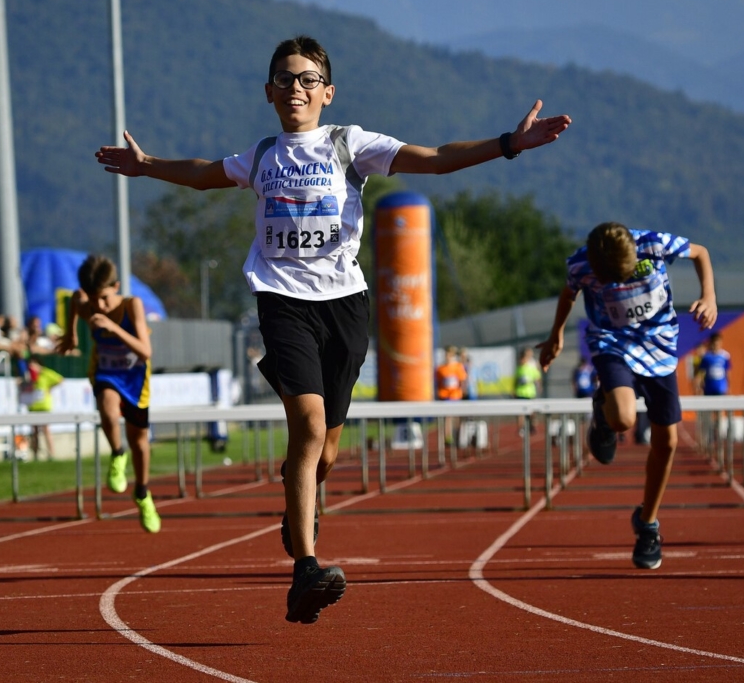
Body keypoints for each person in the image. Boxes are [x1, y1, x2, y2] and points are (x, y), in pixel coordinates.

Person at [95, 34, 570, 623]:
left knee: (325, 454)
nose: (296, 87)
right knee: (309, 424)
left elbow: (437, 157)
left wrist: (510, 144)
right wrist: (146, 167)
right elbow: (203, 174)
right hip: (282, 301)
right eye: (284, 79)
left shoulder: (351, 144)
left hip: (344, 307)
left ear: (327, 92)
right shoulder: (264, 154)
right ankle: (305, 572)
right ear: (268, 92)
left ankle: (303, 510)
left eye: (307, 79)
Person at [539, 222, 716, 570]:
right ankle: (604, 414)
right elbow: (568, 294)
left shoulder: (654, 244)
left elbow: (701, 252)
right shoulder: (581, 264)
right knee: (624, 418)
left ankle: (647, 523)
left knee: (667, 442)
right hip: (612, 343)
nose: (618, 286)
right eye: (610, 283)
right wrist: (555, 334)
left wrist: (709, 295)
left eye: (623, 278)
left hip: (660, 346)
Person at [59, 254, 160, 534]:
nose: (98, 306)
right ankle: (117, 454)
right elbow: (74, 300)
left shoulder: (132, 305)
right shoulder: (87, 304)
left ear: (116, 286)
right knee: (107, 406)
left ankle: (142, 492)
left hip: (136, 377)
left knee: (140, 443)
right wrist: (72, 335)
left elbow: (146, 350)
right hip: (106, 372)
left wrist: (113, 327)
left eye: (103, 298)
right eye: (93, 300)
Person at [23, 357, 64, 460]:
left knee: (46, 429)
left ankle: (51, 454)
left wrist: (49, 388)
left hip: (44, 405)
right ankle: (35, 454)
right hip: (33, 405)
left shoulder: (45, 373)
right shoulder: (29, 375)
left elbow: (60, 379)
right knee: (34, 431)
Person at [435, 346, 468, 445]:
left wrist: (463, 391)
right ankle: (447, 437)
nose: (447, 357)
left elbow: (462, 380)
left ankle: (458, 435)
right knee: (447, 417)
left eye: (449, 354)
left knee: (456, 417)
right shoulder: (440, 368)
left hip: (455, 395)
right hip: (445, 395)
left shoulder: (458, 367)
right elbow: (438, 382)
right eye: (446, 354)